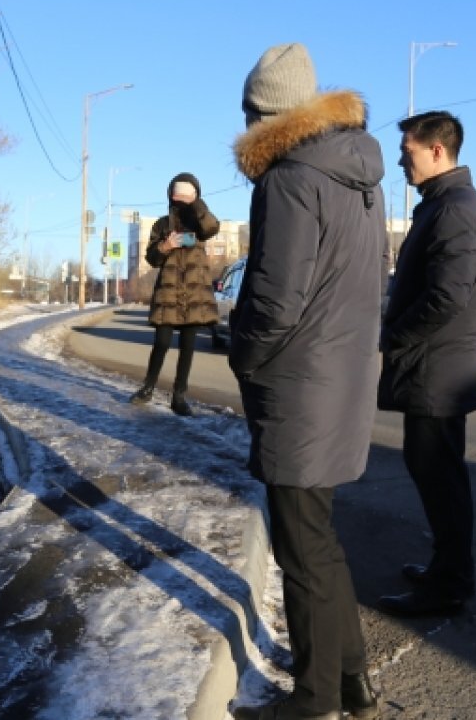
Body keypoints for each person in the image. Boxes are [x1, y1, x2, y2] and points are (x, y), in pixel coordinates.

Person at [229, 43, 386, 720]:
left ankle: (315, 698)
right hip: (342, 375)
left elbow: (273, 297)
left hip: (299, 381)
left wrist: (244, 354)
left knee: (302, 548)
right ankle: (352, 681)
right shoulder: (359, 174)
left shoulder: (290, 177)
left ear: (266, 112)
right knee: (319, 537)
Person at [376, 111, 476, 618]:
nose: (402, 160)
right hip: (438, 367)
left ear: (438, 151)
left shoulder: (455, 210)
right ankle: (448, 570)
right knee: (437, 475)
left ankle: (449, 585)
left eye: (408, 152)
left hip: (437, 370)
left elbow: (446, 297)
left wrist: (394, 337)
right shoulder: (444, 204)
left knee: (440, 478)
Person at [129, 172, 220, 416]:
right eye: (177, 193)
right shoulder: (161, 224)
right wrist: (165, 246)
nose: (180, 198)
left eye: (187, 193)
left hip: (194, 294)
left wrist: (195, 203)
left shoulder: (200, 224)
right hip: (168, 294)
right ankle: (147, 388)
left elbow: (213, 227)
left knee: (188, 347)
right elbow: (151, 258)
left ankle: (179, 397)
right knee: (161, 343)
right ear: (169, 196)